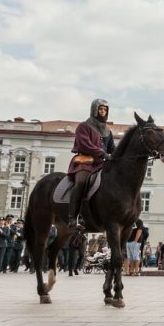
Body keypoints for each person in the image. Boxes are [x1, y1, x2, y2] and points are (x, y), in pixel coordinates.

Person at [67, 99, 116, 231]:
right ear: (94, 110)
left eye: (105, 110)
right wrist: (102, 153)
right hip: (86, 162)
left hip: (101, 164)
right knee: (82, 183)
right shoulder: (84, 126)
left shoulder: (107, 131)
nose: (103, 112)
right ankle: (73, 217)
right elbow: (85, 144)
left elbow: (112, 148)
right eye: (101, 109)